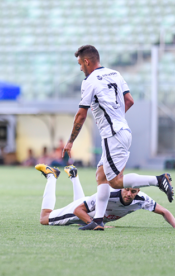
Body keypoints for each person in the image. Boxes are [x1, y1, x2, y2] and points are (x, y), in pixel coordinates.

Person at [62, 45, 174, 230]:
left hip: (112, 134)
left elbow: (81, 115)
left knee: (115, 181)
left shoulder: (89, 81)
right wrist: (117, 117)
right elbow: (129, 100)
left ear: (87, 61)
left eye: (80, 64)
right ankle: (98, 221)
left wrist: (70, 141)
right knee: (101, 176)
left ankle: (159, 179)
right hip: (122, 130)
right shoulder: (115, 74)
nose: (80, 68)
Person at [36, 164, 175, 229]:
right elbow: (78, 210)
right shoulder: (109, 193)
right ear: (122, 187)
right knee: (44, 218)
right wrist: (96, 223)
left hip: (87, 208)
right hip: (80, 211)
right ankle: (52, 175)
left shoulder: (142, 199)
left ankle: (74, 175)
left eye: (133, 192)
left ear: (138, 191)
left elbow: (164, 211)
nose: (128, 194)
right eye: (126, 189)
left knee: (83, 203)